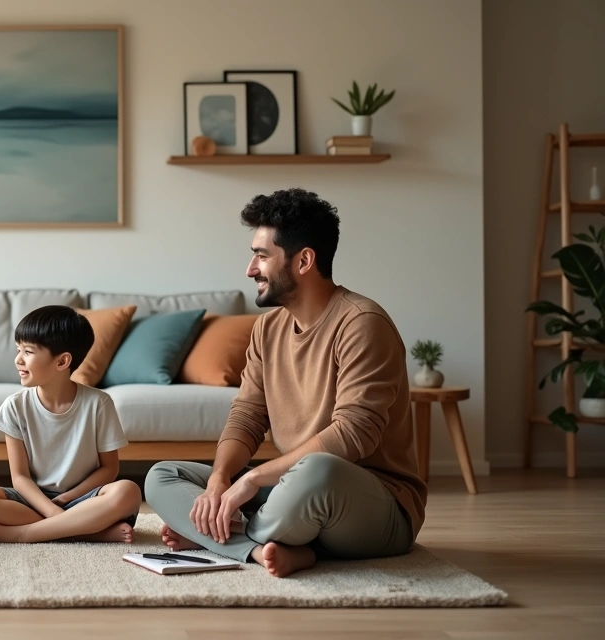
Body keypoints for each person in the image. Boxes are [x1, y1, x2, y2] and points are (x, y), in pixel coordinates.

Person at [145, 188, 427, 577]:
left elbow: (354, 434)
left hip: (372, 504)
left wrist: (253, 480)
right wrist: (219, 481)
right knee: (162, 476)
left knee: (318, 470)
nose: (250, 269)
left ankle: (214, 535)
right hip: (290, 491)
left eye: (262, 256)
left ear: (304, 260)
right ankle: (267, 546)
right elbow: (246, 416)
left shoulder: (362, 323)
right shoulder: (267, 329)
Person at [0, 305, 142, 543]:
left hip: (83, 498)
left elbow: (109, 469)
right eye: (18, 349)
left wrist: (66, 499)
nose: (18, 359)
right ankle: (90, 532)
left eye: (28, 351)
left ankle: (23, 534)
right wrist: (51, 511)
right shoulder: (15, 406)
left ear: (62, 361)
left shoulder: (99, 403)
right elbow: (20, 477)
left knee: (128, 491)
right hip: (35, 499)